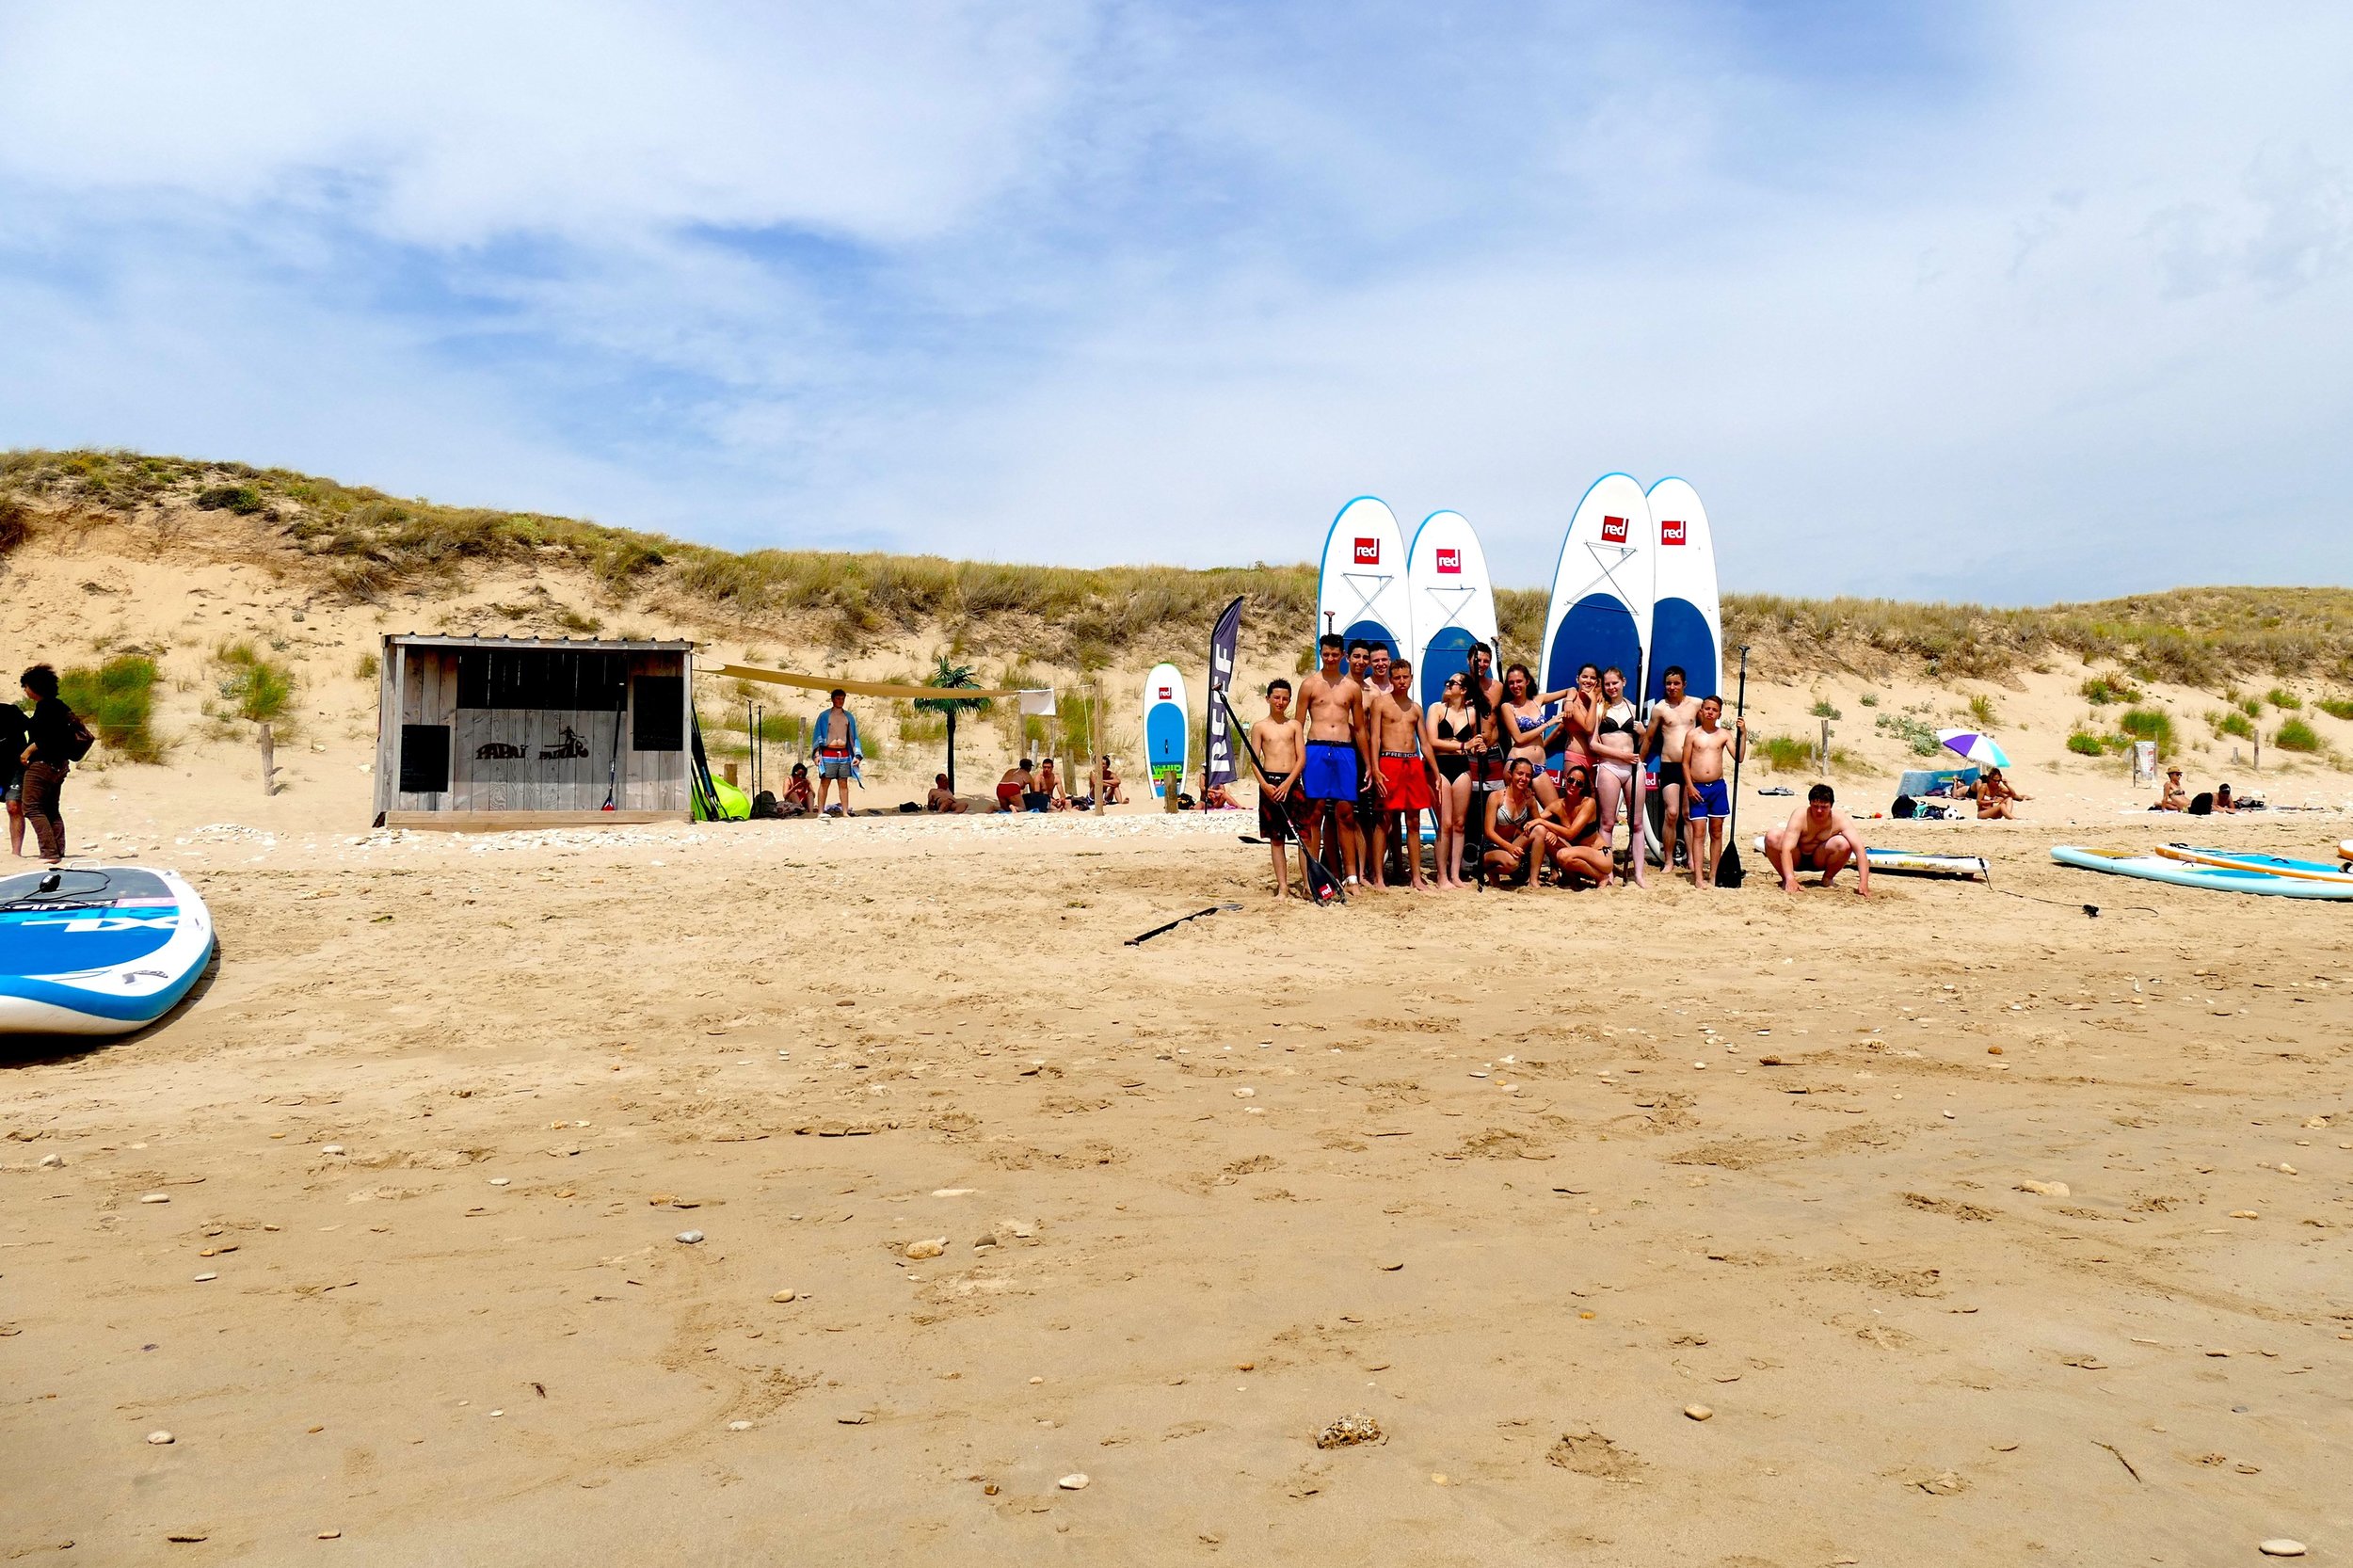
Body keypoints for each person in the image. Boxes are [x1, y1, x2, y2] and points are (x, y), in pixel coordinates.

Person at [1297, 632, 1367, 885]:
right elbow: (1298, 724)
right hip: (1316, 748)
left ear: (1342, 656)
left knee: (1346, 814)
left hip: (1345, 751)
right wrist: (1297, 761)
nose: (1329, 658)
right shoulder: (1309, 684)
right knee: (1314, 813)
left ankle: (1351, 877)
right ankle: (1312, 877)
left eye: (1335, 654)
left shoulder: (1352, 688)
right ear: (1320, 653)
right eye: (1325, 654)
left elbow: (1359, 728)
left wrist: (1369, 764)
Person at [1364, 655, 1435, 890]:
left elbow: (1424, 743)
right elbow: (1374, 737)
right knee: (1384, 821)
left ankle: (1415, 877)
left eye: (1405, 677)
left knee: (1413, 820)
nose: (1401, 681)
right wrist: (1374, 767)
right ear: (1391, 679)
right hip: (1389, 761)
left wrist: (1435, 771)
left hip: (1412, 763)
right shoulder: (1381, 703)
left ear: (1412, 678)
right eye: (1397, 677)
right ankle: (1379, 877)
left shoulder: (1416, 708)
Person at [1640, 665, 1703, 873]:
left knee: (1687, 814)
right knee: (1672, 813)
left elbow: (1707, 731)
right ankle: (1668, 861)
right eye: (1668, 683)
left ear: (1684, 684)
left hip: (1691, 766)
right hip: (1668, 765)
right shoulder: (1660, 708)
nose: (1672, 687)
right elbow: (1649, 738)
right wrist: (1640, 761)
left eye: (1676, 683)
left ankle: (1692, 860)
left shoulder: (1696, 704)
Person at [1248, 678, 1306, 900]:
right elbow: (1254, 760)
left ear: (1290, 700)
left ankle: (1308, 884)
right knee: (1276, 838)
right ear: (1268, 698)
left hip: (1291, 782)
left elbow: (1301, 758)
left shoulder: (1294, 726)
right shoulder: (1260, 727)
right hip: (1270, 784)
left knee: (1304, 836)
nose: (1280, 702)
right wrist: (1265, 785)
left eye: (1285, 698)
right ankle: (1282, 886)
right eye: (1276, 698)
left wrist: (1289, 782)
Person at [1589, 666, 1647, 888]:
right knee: (1607, 822)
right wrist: (1620, 755)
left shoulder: (1634, 708)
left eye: (1615, 683)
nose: (1611, 687)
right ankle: (1607, 870)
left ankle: (1639, 874)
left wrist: (1643, 733)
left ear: (1623, 681)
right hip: (1610, 767)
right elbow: (1594, 743)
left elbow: (1642, 743)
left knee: (1637, 822)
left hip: (1634, 768)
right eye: (1607, 684)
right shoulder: (1599, 709)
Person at [1680, 696, 1744, 888]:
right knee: (1698, 832)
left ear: (1719, 714)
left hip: (1717, 788)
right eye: (1706, 708)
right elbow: (1684, 763)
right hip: (1697, 788)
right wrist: (1690, 786)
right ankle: (1699, 877)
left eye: (1714, 710)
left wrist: (1743, 733)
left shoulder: (1724, 734)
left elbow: (1739, 757)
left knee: (1716, 831)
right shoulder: (1692, 735)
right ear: (1701, 711)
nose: (1709, 712)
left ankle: (1714, 875)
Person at [1765, 783, 1871, 896]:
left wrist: (1864, 883)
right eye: (1815, 806)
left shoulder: (1839, 819)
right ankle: (1787, 879)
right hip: (1796, 858)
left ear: (1831, 806)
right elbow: (1787, 848)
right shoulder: (1800, 815)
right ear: (1810, 804)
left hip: (1820, 859)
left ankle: (1828, 878)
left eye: (1824, 807)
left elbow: (1859, 849)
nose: (1819, 811)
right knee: (1772, 836)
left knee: (1843, 843)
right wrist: (1790, 877)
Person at [1426, 671, 1481, 889]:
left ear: (1464, 689)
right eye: (1447, 682)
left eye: (1453, 683)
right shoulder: (1436, 708)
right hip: (1441, 766)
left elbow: (1475, 742)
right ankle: (1441, 876)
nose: (1447, 685)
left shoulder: (1472, 713)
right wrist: (1462, 745)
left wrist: (1478, 745)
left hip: (1462, 767)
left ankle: (1455, 874)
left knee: (1459, 824)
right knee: (1445, 823)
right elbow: (1431, 741)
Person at [19, 664, 76, 863]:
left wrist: (28, 750)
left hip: (43, 764)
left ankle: (49, 852)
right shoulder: (60, 706)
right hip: (60, 764)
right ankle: (57, 851)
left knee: (32, 807)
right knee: (51, 808)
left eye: (25, 686)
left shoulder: (46, 708)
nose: (25, 691)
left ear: (35, 686)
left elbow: (49, 737)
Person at [1540, 763, 1612, 888]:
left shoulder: (1589, 803)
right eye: (1571, 780)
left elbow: (1571, 833)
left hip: (1600, 855)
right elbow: (1536, 819)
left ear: (1583, 787)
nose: (1573, 785)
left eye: (1579, 783)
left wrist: (1546, 824)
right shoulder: (1557, 805)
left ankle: (1600, 876)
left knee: (1563, 854)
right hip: (1577, 854)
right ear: (1566, 778)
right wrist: (1528, 801)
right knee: (1544, 836)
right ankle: (1573, 879)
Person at [1481, 758, 1545, 888]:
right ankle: (1489, 870)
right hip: (1492, 846)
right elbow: (1488, 831)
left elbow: (1540, 822)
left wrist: (1533, 824)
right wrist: (1510, 848)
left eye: (1528, 775)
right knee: (1513, 863)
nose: (1524, 778)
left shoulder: (1529, 799)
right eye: (1520, 773)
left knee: (1540, 830)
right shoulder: (1496, 797)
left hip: (1513, 842)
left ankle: (1534, 880)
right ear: (1510, 774)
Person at [810, 689, 862, 818]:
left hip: (844, 753)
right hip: (828, 752)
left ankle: (845, 812)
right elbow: (818, 735)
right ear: (832, 699)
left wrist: (857, 755)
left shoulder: (848, 716)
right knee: (825, 781)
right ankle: (821, 812)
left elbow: (854, 736)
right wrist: (817, 754)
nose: (840, 701)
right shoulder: (824, 716)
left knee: (843, 782)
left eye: (842, 698)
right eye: (838, 698)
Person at [0, 691, 25, 856]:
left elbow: (36, 730)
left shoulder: (11, 712)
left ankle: (16, 852)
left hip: (14, 766)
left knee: (14, 806)